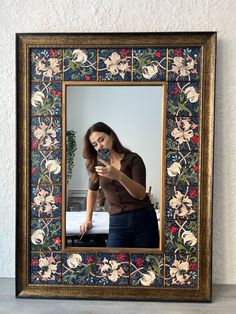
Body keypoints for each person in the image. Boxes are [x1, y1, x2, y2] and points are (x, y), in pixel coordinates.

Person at [80, 121, 159, 248]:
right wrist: (88, 219)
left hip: (143, 218)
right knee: (113, 264)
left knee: (145, 264)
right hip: (117, 221)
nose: (99, 146)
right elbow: (92, 191)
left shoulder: (133, 159)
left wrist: (119, 176)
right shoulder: (98, 163)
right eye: (95, 144)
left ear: (111, 136)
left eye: (102, 140)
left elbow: (140, 194)